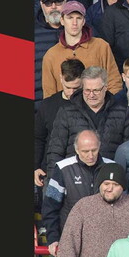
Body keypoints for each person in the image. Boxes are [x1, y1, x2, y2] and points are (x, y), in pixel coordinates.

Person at [40, 130, 112, 257]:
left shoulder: (111, 167)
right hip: (69, 242)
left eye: (94, 150)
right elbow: (50, 207)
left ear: (99, 147)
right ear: (76, 150)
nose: (90, 155)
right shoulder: (62, 168)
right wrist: (53, 238)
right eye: (85, 151)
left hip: (103, 244)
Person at [44, 66, 129, 169]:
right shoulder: (66, 112)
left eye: (96, 90)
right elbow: (55, 151)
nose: (91, 95)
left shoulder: (122, 112)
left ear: (105, 87)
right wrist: (54, 180)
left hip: (110, 179)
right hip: (74, 177)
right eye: (87, 90)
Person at [41, 0, 122, 97]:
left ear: (83, 21)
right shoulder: (51, 55)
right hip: (64, 110)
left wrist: (106, 108)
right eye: (70, 18)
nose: (74, 23)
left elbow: (114, 83)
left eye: (78, 18)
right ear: (62, 20)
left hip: (99, 109)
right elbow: (49, 95)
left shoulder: (101, 46)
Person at [35, 59, 86, 191]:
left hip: (84, 171)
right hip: (51, 171)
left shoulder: (90, 105)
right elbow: (38, 138)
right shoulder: (48, 105)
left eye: (76, 88)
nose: (71, 92)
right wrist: (35, 166)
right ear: (61, 78)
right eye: (68, 87)